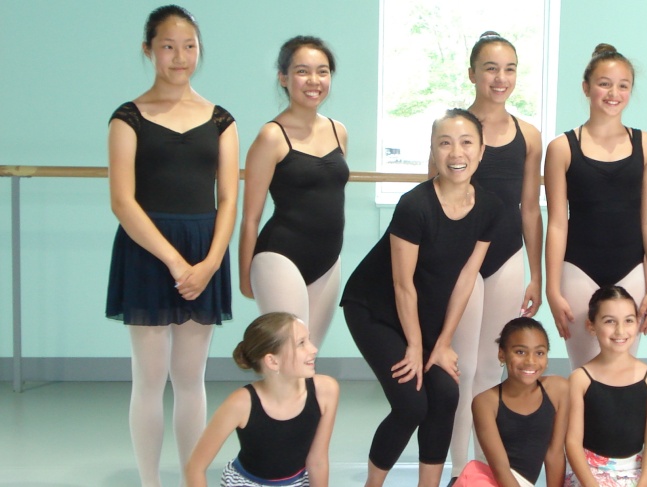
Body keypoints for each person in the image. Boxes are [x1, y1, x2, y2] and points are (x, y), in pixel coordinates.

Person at [105, 5, 238, 485]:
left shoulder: (221, 119)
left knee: (190, 379)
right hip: (148, 250)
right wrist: (176, 261)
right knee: (149, 378)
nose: (180, 56)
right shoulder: (128, 117)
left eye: (189, 46)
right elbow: (122, 201)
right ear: (149, 50)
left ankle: (191, 477)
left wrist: (209, 262)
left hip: (204, 253)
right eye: (168, 46)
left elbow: (228, 201)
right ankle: (149, 480)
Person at [339, 109, 502, 487]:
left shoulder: (490, 208)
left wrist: (442, 344)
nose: (455, 153)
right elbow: (402, 284)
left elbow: (464, 279)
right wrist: (415, 345)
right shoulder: (415, 206)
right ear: (432, 151)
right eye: (444, 143)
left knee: (445, 395)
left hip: (421, 315)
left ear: (481, 151)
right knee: (411, 404)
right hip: (374, 309)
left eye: (465, 143)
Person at [445, 31, 545, 480]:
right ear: (472, 74)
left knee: (492, 367)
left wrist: (536, 273)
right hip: (460, 262)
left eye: (509, 69)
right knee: (462, 368)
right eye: (490, 68)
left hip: (507, 259)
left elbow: (529, 208)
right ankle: (457, 468)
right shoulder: (455, 130)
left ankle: (485, 471)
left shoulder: (529, 135)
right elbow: (438, 202)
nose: (500, 78)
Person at [544, 43, 647, 370]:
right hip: (579, 270)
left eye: (623, 86)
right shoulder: (561, 148)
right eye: (604, 84)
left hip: (632, 271)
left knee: (623, 370)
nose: (614, 93)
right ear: (586, 88)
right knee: (584, 372)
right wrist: (551, 289)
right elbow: (557, 223)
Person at [239, 36, 349, 348]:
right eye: (303, 71)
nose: (314, 81)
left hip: (328, 259)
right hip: (280, 257)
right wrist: (245, 277)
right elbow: (250, 217)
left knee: (309, 355)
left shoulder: (338, 131)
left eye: (323, 71)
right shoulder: (271, 136)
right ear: (284, 78)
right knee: (288, 355)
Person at [185, 312, 339, 486]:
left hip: (299, 482)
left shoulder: (326, 391)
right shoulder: (241, 404)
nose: (313, 349)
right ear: (272, 361)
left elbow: (317, 461)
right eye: (301, 343)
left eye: (308, 340)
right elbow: (195, 468)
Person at [565, 286, 647, 487]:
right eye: (610, 321)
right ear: (591, 326)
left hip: (637, 474)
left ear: (637, 323)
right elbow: (573, 442)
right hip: (589, 474)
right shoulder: (580, 379)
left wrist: (644, 483)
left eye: (628, 320)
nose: (620, 331)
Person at [456, 318, 568, 487]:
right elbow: (500, 469)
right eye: (520, 352)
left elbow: (555, 454)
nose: (530, 361)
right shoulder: (485, 402)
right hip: (489, 480)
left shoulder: (558, 389)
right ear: (502, 354)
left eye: (539, 353)